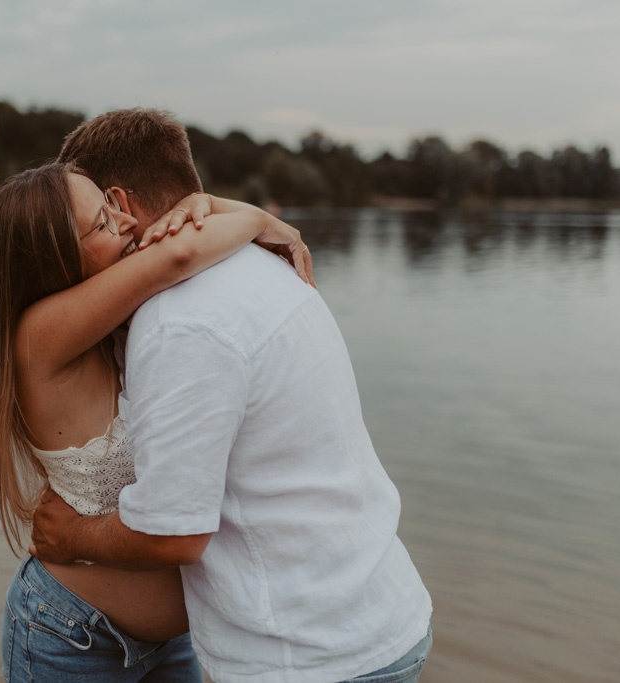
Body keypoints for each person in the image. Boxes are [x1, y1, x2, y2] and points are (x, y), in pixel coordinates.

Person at [30, 109, 434, 683]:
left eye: (101, 211)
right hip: (378, 615)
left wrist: (69, 535)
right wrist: (245, 215)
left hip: (309, 658)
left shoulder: (178, 321)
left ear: (120, 201)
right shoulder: (262, 266)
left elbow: (175, 532)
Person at [0, 157, 312, 681]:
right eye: (103, 223)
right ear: (54, 260)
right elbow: (179, 253)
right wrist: (266, 223)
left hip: (174, 641)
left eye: (112, 204)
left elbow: (182, 231)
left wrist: (195, 204)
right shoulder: (38, 336)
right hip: (68, 636)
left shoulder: (120, 326)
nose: (128, 221)